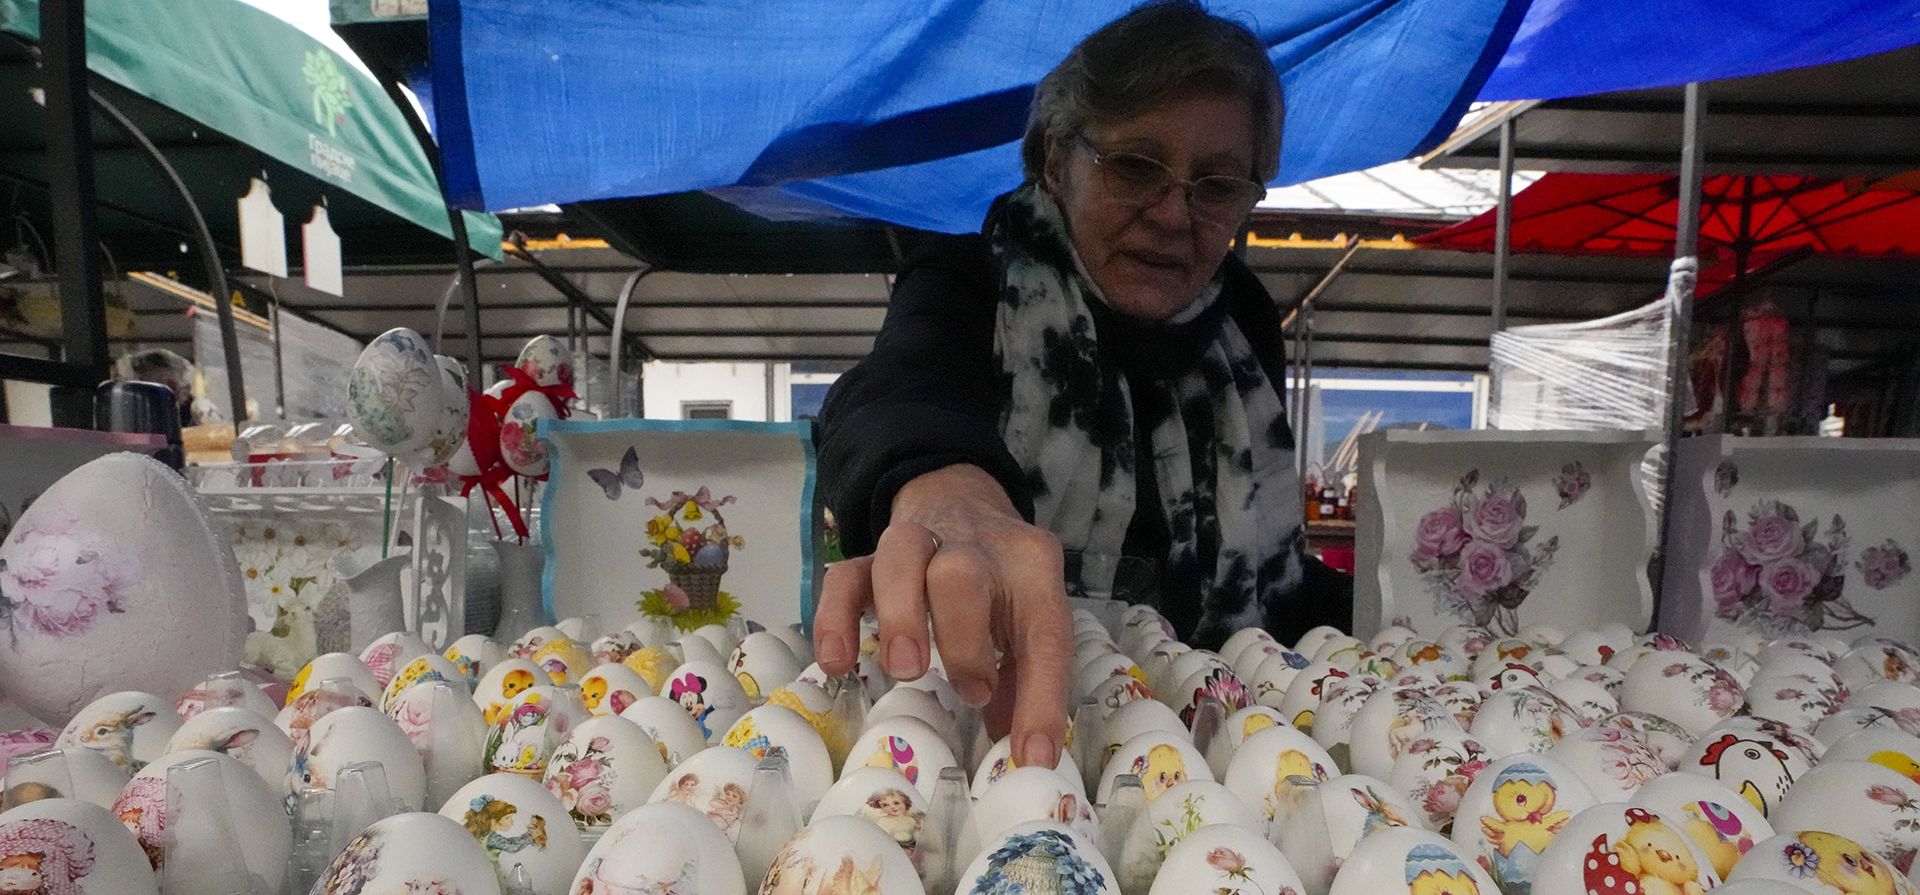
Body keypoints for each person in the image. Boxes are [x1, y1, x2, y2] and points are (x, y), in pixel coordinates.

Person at [814, 1, 1353, 770]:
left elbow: (1276, 584)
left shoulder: (1243, 326)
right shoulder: (975, 280)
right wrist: (949, 492)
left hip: (1201, 747)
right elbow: (893, 394)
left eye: (1217, 183)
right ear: (1054, 158)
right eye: (1135, 166)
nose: (1174, 213)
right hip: (998, 715)